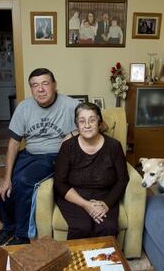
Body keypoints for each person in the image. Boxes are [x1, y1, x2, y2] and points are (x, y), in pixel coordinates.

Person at [0, 68, 79, 246]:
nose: (40, 89)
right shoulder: (24, 107)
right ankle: (8, 226)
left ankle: (22, 234)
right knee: (6, 186)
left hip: (54, 155)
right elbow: (14, 143)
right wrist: (6, 178)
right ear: (31, 89)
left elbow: (101, 123)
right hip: (29, 154)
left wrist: (74, 133)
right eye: (35, 85)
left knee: (24, 180)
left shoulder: (71, 105)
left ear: (54, 86)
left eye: (45, 84)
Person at [54, 102, 129, 240]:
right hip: (74, 197)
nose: (87, 125)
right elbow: (59, 183)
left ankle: (104, 261)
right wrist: (86, 205)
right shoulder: (68, 147)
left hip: (104, 197)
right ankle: (78, 261)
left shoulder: (113, 146)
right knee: (82, 226)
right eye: (82, 121)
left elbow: (122, 179)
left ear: (99, 123)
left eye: (92, 120)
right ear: (77, 125)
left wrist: (106, 204)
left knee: (108, 226)